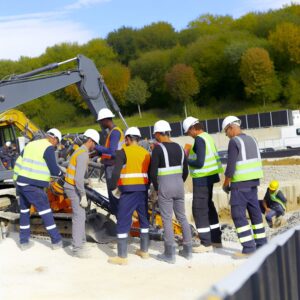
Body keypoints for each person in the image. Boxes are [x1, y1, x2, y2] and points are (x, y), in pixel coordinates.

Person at [222, 116, 267, 258]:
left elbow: (231, 166)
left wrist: (226, 183)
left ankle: (248, 249)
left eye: (226, 132)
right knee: (255, 215)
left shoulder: (234, 142)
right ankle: (262, 244)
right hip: (253, 184)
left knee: (238, 216)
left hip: (239, 186)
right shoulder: (252, 140)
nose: (227, 135)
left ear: (231, 127)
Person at [13, 128, 64, 250]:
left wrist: (17, 181)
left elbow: (18, 162)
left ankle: (24, 242)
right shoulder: (48, 147)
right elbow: (53, 169)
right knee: (45, 211)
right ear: (54, 138)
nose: (56, 145)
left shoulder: (31, 144)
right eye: (57, 142)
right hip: (32, 185)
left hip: (21, 183)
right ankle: (56, 241)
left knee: (24, 212)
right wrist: (62, 174)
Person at [150, 120, 192, 264]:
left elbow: (152, 173)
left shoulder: (158, 148)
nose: (155, 136)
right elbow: (185, 171)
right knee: (182, 216)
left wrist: (157, 187)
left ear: (159, 133)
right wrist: (179, 182)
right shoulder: (180, 148)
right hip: (179, 185)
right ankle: (187, 250)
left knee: (167, 218)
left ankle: (169, 253)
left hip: (165, 186)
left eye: (155, 133)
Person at [107, 127, 151, 265]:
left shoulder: (122, 152)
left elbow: (115, 173)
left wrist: (112, 187)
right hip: (143, 190)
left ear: (128, 138)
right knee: (144, 220)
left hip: (128, 192)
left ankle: (122, 256)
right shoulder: (146, 153)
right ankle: (144, 251)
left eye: (125, 139)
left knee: (123, 221)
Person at [183, 117, 223, 253]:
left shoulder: (199, 140)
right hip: (210, 177)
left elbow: (199, 162)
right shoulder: (208, 137)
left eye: (188, 132)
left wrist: (187, 158)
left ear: (193, 129)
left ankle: (206, 243)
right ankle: (216, 239)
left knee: (199, 209)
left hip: (202, 178)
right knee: (208, 206)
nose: (189, 135)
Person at [64, 129, 100, 257]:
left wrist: (86, 180)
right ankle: (77, 249)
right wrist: (83, 195)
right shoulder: (83, 154)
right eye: (95, 143)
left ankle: (82, 242)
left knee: (81, 215)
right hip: (72, 187)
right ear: (90, 140)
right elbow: (78, 178)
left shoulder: (79, 150)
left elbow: (77, 175)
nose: (95, 146)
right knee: (79, 217)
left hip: (71, 185)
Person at [95, 108, 124, 215]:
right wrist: (100, 154)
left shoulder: (115, 133)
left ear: (105, 120)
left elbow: (112, 152)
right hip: (113, 166)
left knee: (114, 197)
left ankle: (119, 220)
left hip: (113, 167)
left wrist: (97, 147)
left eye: (100, 121)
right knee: (114, 197)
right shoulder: (114, 132)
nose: (100, 123)